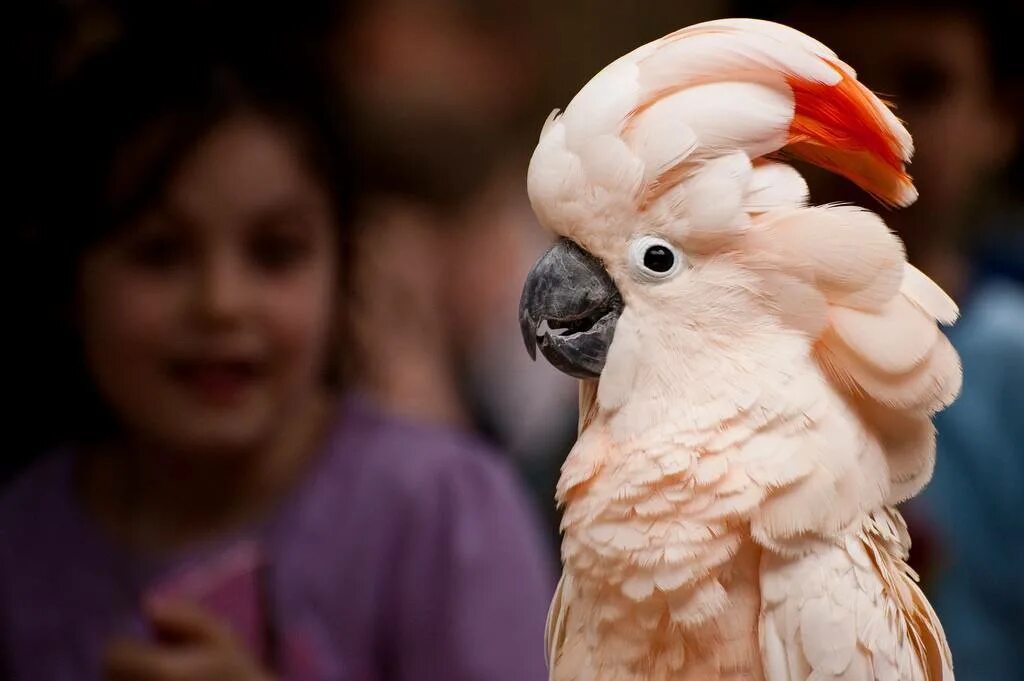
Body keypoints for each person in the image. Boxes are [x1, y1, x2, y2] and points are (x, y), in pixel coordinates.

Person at [0, 30, 552, 681]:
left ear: (343, 266)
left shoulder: (444, 513)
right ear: (69, 279)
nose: (221, 303)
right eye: (159, 251)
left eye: (275, 252)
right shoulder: (21, 538)